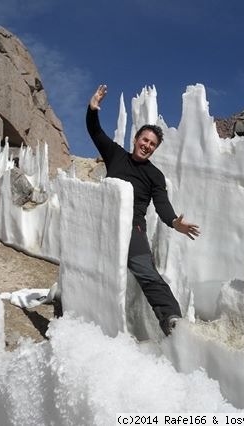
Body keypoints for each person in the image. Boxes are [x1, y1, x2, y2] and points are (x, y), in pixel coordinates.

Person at [86, 84, 200, 336]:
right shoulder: (115, 155)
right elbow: (96, 132)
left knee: (147, 272)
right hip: (105, 221)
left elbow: (161, 203)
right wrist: (93, 109)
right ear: (136, 139)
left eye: (152, 144)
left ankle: (171, 319)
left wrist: (174, 222)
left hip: (133, 229)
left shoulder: (154, 175)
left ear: (155, 149)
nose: (147, 145)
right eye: (145, 140)